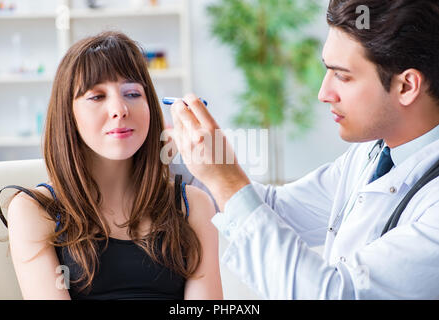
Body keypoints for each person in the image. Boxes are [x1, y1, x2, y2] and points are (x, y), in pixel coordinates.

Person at [170, 0, 439, 299]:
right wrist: (176, 167)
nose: (323, 93)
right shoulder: (371, 155)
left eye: (343, 76)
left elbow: (332, 293)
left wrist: (226, 180)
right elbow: (281, 209)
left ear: (406, 86)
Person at [0, 31, 222, 300]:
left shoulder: (192, 205)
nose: (120, 109)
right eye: (97, 96)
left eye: (132, 93)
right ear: (68, 115)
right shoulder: (35, 211)